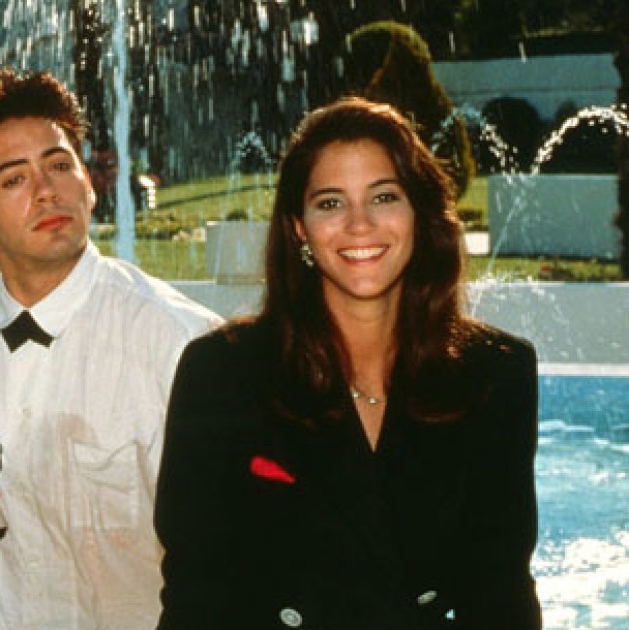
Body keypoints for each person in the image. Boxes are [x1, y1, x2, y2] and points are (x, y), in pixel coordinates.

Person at [154, 97, 541, 629]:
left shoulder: (496, 373)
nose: (360, 224)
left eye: (384, 196)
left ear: (419, 213)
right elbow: (196, 599)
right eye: (331, 203)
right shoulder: (221, 373)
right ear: (298, 228)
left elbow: (501, 596)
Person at [0, 69, 222, 629]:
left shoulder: (180, 344)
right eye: (14, 179)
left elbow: (226, 556)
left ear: (89, 183)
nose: (47, 190)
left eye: (59, 164)